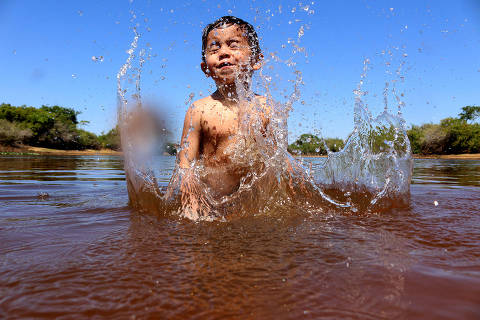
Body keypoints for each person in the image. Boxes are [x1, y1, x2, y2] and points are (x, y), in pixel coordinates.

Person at [176, 16, 272, 199]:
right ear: (205, 68)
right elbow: (185, 166)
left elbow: (278, 162)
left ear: (256, 60)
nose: (223, 52)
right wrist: (192, 208)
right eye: (215, 47)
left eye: (233, 44)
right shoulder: (199, 110)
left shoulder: (266, 108)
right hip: (212, 200)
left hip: (251, 201)